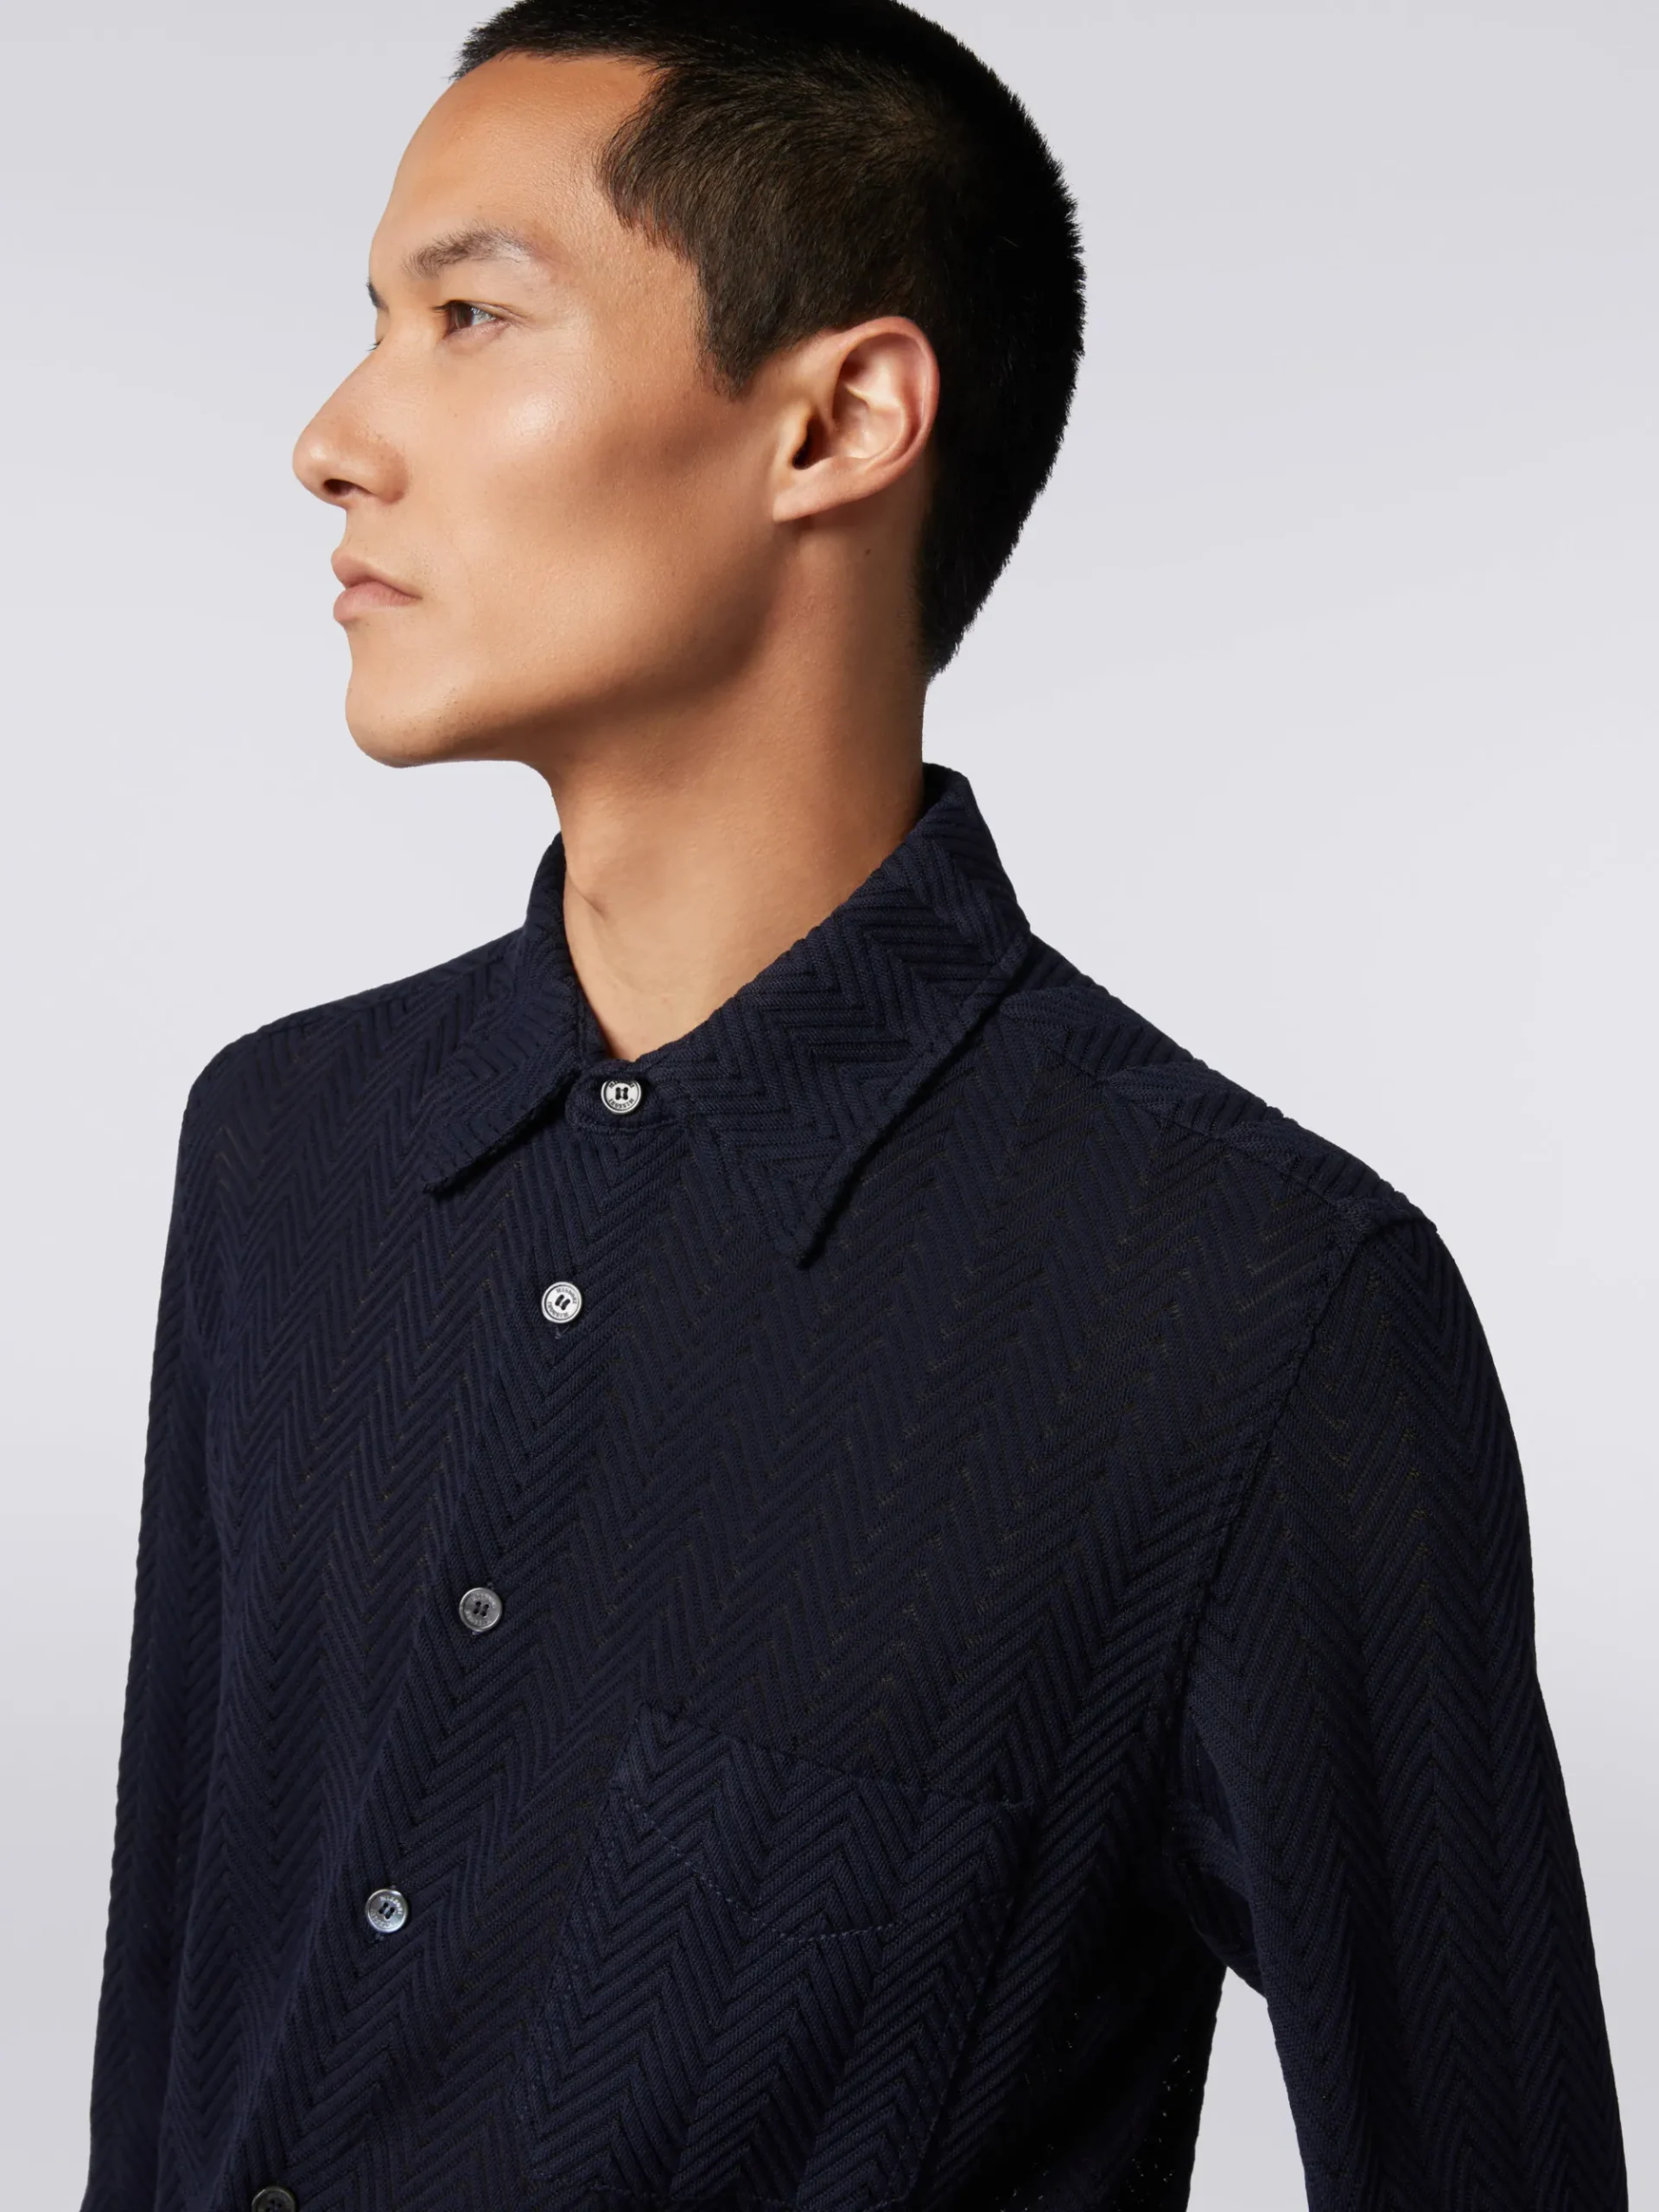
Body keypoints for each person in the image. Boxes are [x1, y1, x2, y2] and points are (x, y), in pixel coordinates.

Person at [81, 3, 1626, 2209]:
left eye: (468, 317)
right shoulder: (283, 1151)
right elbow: (164, 2073)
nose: (334, 438)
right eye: (374, 322)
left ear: (838, 419)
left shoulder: (1257, 1319)